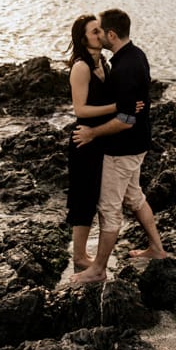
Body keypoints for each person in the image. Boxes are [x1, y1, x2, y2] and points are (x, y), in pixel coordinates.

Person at [71, 8, 168, 284]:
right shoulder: (135, 55)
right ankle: (157, 249)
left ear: (111, 34)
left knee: (109, 207)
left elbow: (125, 119)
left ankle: (98, 268)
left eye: (100, 30)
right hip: (138, 143)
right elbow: (129, 108)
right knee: (134, 197)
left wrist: (92, 133)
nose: (99, 34)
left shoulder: (123, 67)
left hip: (122, 148)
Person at [66, 14, 118, 270]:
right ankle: (79, 256)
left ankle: (85, 253)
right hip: (83, 140)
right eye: (95, 31)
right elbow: (80, 109)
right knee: (83, 197)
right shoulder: (82, 67)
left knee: (97, 195)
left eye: (101, 30)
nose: (101, 34)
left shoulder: (104, 64)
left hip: (101, 138)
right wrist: (117, 107)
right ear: (83, 38)